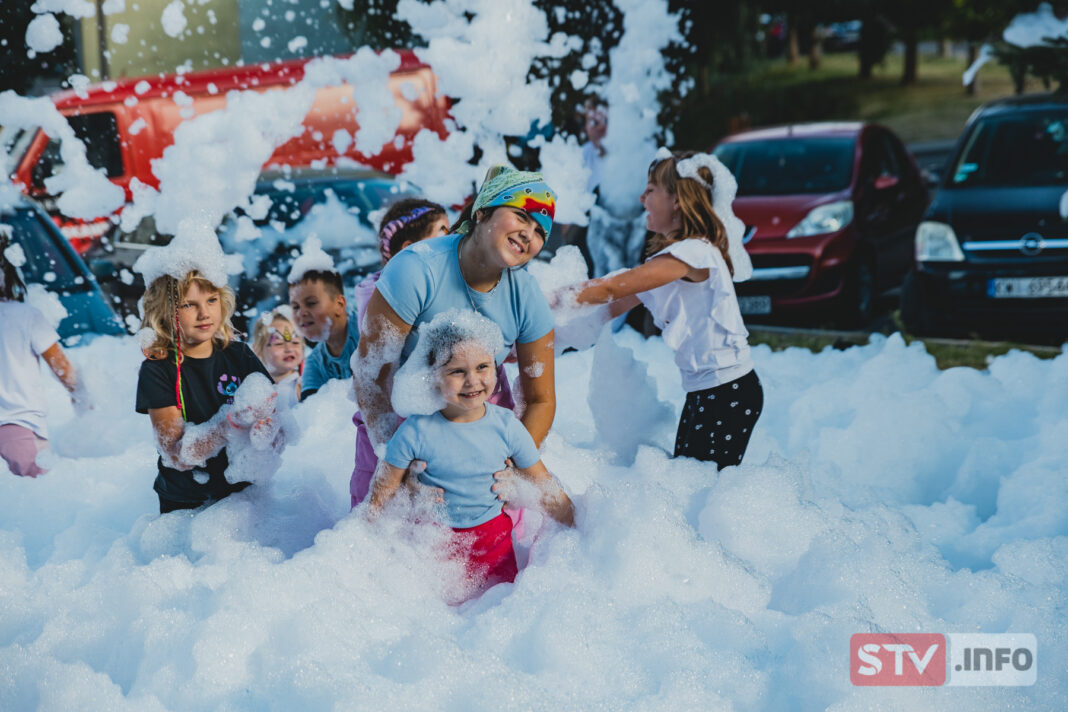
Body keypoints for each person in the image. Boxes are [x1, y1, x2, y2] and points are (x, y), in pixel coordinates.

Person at [352, 166, 558, 508]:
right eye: (521, 216)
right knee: (383, 545)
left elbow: (541, 400)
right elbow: (372, 376)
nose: (528, 234)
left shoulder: (527, 297)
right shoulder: (416, 269)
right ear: (481, 212)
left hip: (479, 438)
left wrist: (512, 465)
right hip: (395, 426)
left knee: (489, 557)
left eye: (539, 232)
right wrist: (397, 467)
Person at [555, 150, 763, 470]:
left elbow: (614, 287)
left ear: (678, 200)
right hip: (707, 391)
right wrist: (553, 338)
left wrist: (551, 297)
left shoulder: (695, 253)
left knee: (700, 481)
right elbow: (610, 308)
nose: (641, 198)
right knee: (688, 477)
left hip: (728, 391)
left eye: (651, 189)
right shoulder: (669, 265)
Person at [369, 311, 574, 597]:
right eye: (457, 371)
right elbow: (382, 494)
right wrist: (365, 542)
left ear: (494, 366)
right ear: (434, 377)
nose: (473, 380)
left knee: (498, 609)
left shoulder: (507, 427)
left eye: (482, 367)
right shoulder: (415, 432)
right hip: (435, 546)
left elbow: (543, 484)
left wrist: (582, 528)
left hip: (495, 546)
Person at [135, 269, 277, 513]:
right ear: (165, 313)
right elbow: (177, 455)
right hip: (186, 503)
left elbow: (274, 420)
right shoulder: (158, 370)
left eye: (211, 300)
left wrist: (269, 430)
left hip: (243, 496)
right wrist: (230, 424)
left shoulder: (240, 355)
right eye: (189, 305)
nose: (204, 313)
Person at [350, 198, 449, 506]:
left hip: (404, 426)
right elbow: (373, 374)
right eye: (443, 231)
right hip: (393, 426)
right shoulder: (387, 299)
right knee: (377, 505)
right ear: (410, 249)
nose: (453, 238)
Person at [0, 236, 87, 477]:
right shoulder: (26, 316)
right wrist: (82, 398)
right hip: (22, 430)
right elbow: (63, 369)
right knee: (35, 502)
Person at [289, 267, 357, 401]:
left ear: (339, 304)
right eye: (295, 307)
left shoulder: (367, 333)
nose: (301, 313)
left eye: (311, 303)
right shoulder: (315, 363)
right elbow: (310, 414)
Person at [251, 305, 304, 410]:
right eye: (279, 343)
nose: (289, 348)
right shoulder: (253, 388)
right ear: (257, 350)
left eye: (295, 342)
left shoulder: (302, 386)